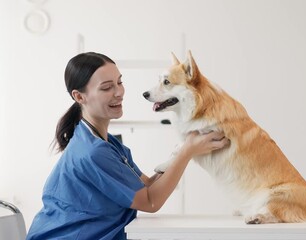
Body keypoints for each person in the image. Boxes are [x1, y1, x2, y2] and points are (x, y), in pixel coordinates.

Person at [26, 52, 229, 240]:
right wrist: (188, 151)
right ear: (79, 97)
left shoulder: (105, 141)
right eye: (107, 87)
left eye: (119, 82)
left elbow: (147, 185)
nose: (119, 93)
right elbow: (150, 202)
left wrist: (184, 149)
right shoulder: (93, 151)